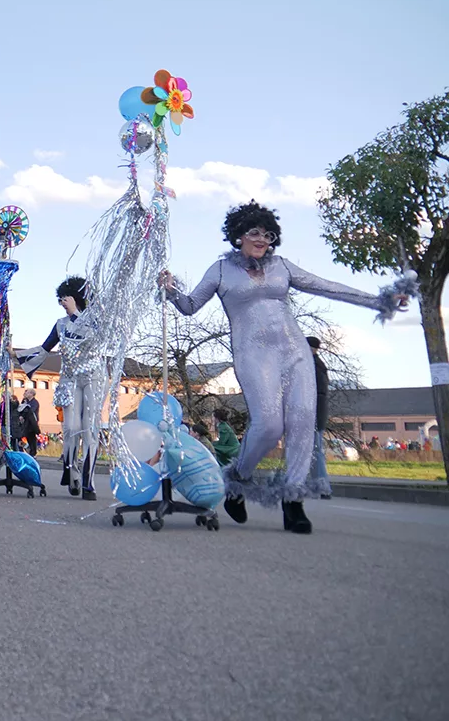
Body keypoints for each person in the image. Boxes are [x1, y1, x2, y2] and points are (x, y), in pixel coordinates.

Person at [159, 201, 406, 534]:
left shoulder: (282, 267)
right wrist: (170, 288)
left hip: (294, 350)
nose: (263, 239)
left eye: (268, 234)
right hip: (253, 355)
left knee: (303, 421)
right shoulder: (220, 271)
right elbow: (189, 307)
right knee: (269, 425)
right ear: (238, 236)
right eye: (255, 232)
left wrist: (380, 300)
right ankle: (238, 480)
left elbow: (327, 286)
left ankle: (294, 502)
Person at [21, 277, 101, 500]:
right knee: (70, 429)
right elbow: (46, 348)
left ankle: (89, 481)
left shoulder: (94, 320)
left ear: (76, 297)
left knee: (89, 429)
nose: (62, 303)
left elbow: (95, 339)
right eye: (60, 300)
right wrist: (17, 356)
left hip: (92, 379)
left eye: (64, 299)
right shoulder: (60, 324)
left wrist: (76, 313)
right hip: (69, 381)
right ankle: (73, 472)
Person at [307, 336, 332, 499]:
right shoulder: (319, 366)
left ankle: (322, 487)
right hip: (317, 414)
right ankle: (317, 486)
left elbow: (313, 392)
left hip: (313, 414)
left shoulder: (314, 366)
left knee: (315, 451)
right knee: (313, 451)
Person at [16, 389, 40, 456]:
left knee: (31, 438)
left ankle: (33, 452)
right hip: (24, 422)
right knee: (20, 437)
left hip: (31, 423)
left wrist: (24, 412)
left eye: (27, 392)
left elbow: (30, 411)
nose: (26, 393)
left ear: (32, 394)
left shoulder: (35, 402)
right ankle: (26, 448)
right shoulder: (25, 401)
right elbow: (20, 409)